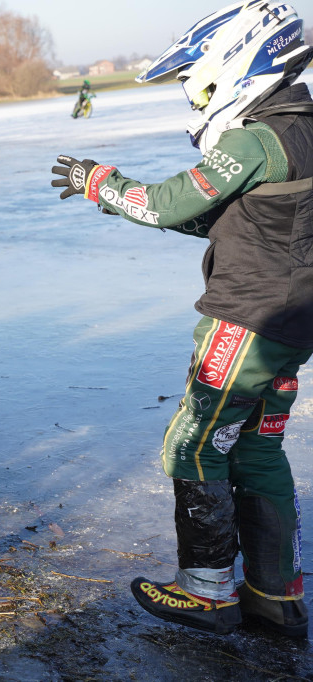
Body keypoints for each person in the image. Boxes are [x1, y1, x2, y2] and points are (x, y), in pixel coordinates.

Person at [51, 1, 312, 637]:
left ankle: (206, 589)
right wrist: (124, 207)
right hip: (292, 322)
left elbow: (171, 202)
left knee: (193, 443)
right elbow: (228, 217)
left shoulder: (257, 137)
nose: (193, 93)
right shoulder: (301, 130)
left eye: (196, 79)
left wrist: (101, 182)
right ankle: (274, 596)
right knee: (256, 450)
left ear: (237, 64)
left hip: (247, 318)